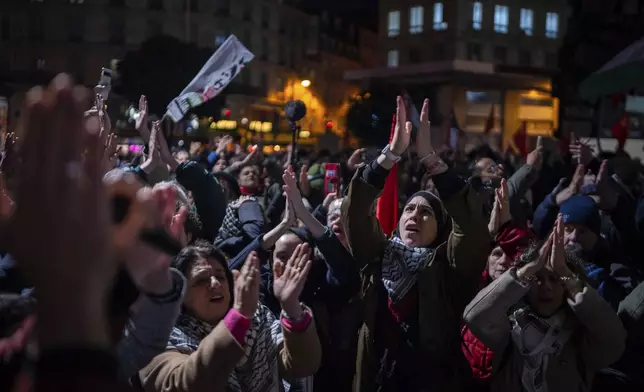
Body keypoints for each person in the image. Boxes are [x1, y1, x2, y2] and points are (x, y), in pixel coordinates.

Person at [344, 97, 490, 391]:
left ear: (440, 229)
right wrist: (391, 155)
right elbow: (356, 213)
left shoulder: (449, 266)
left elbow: (472, 227)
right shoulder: (378, 255)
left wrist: (430, 160)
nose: (415, 216)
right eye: (409, 209)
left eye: (426, 213)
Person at [463, 216, 626, 392]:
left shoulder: (580, 336)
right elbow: (475, 317)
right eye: (537, 278)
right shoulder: (509, 327)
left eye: (555, 279)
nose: (546, 287)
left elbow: (614, 340)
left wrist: (564, 271)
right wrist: (528, 268)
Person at [138, 243, 321, 392]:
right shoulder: (159, 338)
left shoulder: (256, 318)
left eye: (220, 276)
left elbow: (301, 365)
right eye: (201, 280)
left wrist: (291, 308)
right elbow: (182, 384)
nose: (215, 284)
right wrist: (236, 322)